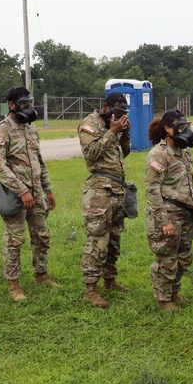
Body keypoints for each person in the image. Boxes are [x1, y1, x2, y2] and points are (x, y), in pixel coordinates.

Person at [0, 86, 56, 302]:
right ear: (12, 105)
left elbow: (39, 162)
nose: (28, 107)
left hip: (36, 194)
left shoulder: (31, 128)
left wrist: (48, 190)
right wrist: (22, 190)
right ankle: (14, 286)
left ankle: (41, 276)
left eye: (30, 102)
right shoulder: (2, 131)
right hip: (15, 195)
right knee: (15, 241)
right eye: (24, 103)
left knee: (42, 236)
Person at [143, 109, 193, 312]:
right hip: (168, 215)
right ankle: (163, 300)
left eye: (186, 126)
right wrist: (164, 221)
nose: (184, 130)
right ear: (167, 128)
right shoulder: (158, 155)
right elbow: (152, 190)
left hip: (186, 214)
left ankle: (175, 293)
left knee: (184, 257)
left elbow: (191, 183)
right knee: (167, 259)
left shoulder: (185, 152)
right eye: (180, 126)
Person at [78, 91, 132, 309]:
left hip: (117, 189)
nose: (119, 115)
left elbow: (123, 154)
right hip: (99, 190)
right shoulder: (89, 124)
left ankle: (110, 281)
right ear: (106, 106)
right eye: (117, 111)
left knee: (114, 239)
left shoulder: (116, 126)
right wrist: (112, 132)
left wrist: (124, 135)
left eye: (123, 112)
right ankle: (90, 289)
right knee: (98, 239)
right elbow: (90, 153)